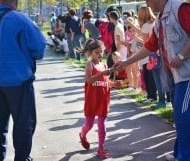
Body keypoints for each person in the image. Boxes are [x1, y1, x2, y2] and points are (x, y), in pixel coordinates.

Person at [114, 0, 190, 161]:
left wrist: (182, 55)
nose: (147, 2)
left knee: (183, 116)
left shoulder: (179, 8)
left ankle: (185, 156)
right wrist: (126, 62)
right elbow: (150, 46)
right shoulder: (161, 19)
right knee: (180, 116)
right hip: (177, 76)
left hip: (187, 75)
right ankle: (180, 153)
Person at [0, 0, 46, 160]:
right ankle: (22, 158)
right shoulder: (22, 20)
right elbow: (39, 49)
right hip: (19, 81)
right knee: (23, 125)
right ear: (16, 2)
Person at [78, 39, 120, 159]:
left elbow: (105, 82)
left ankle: (100, 148)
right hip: (92, 101)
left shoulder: (104, 65)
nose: (100, 54)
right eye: (97, 52)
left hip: (103, 101)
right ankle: (82, 134)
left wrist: (114, 84)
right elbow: (90, 80)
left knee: (102, 126)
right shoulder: (89, 64)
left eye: (101, 52)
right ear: (90, 53)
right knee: (89, 125)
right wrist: (102, 73)